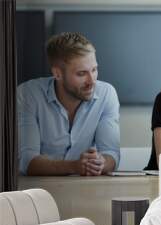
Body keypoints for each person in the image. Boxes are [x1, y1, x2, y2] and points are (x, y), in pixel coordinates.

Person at [18, 32, 120, 176]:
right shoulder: (28, 94)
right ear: (57, 74)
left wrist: (101, 163)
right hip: (38, 190)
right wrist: (74, 166)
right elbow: (26, 162)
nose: (92, 81)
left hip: (85, 188)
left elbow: (111, 153)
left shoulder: (107, 94)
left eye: (94, 70)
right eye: (81, 73)